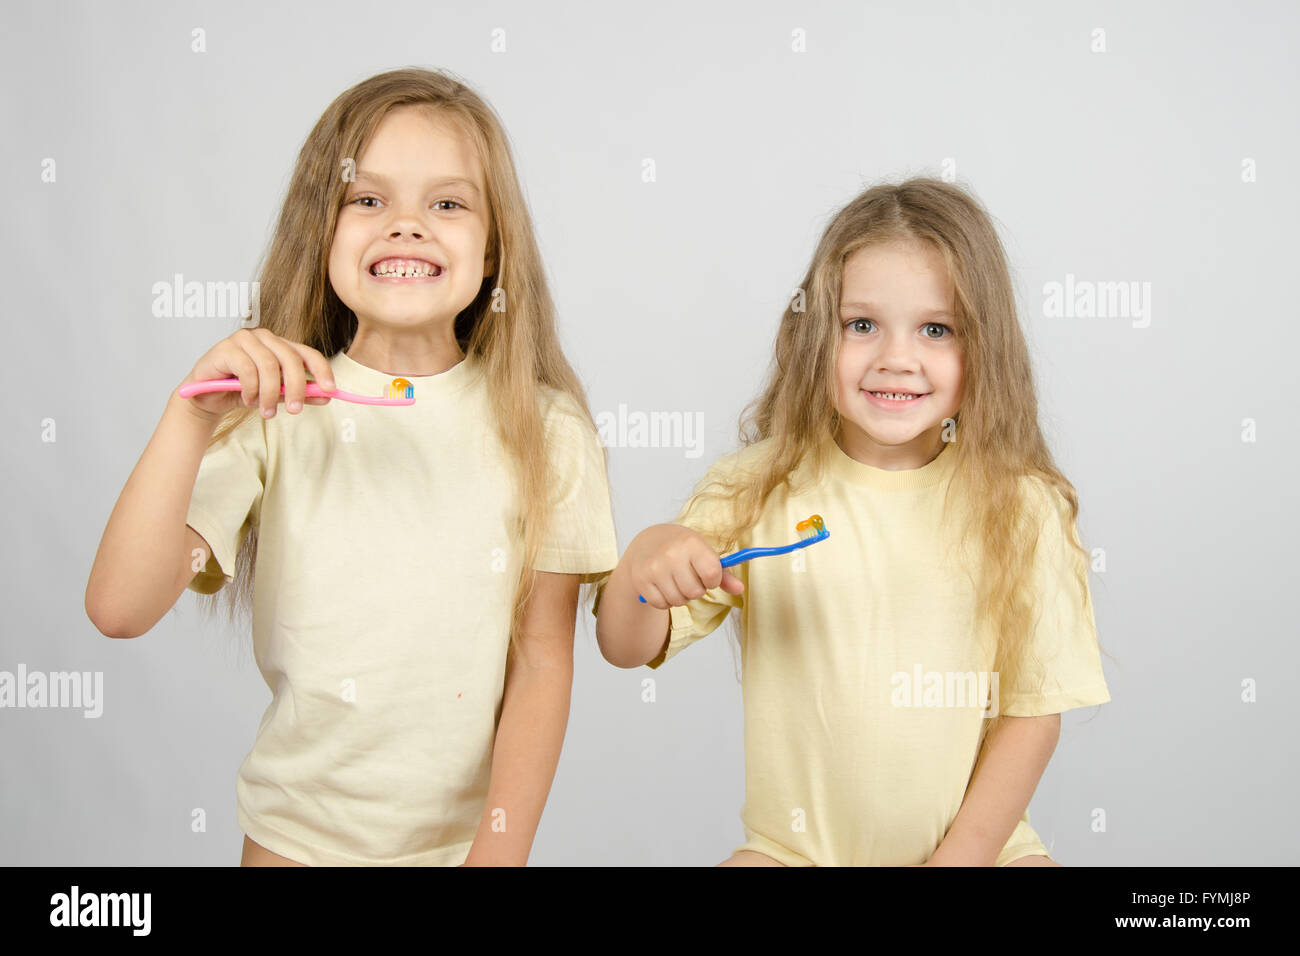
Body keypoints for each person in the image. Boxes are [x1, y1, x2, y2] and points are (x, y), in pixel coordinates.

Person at [86, 68, 618, 867]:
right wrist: (189, 416)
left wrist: (496, 857)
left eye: (447, 202)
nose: (406, 226)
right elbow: (119, 608)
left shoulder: (549, 430)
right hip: (291, 845)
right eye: (366, 200)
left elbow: (544, 660)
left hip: (462, 853)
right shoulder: (273, 413)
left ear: (494, 246)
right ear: (320, 231)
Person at [594, 178, 1110, 866]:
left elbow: (1032, 715)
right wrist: (640, 568)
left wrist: (958, 861)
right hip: (793, 852)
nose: (896, 358)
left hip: (984, 853)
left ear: (982, 346)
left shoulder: (1020, 507)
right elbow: (625, 647)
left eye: (936, 328)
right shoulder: (756, 487)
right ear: (816, 334)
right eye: (861, 325)